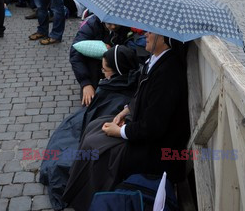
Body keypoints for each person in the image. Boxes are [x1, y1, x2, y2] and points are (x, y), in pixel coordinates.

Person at [63, 32, 190, 210]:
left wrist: (120, 132)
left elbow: (153, 128)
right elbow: (145, 97)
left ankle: (88, 199)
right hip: (143, 131)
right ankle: (78, 188)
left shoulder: (168, 72)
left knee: (96, 145)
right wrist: (127, 110)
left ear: (164, 37)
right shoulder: (157, 59)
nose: (145, 33)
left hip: (157, 151)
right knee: (94, 126)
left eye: (150, 31)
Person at [40, 45, 140, 210]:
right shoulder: (117, 84)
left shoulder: (119, 95)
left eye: (105, 69)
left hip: (113, 132)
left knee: (63, 159)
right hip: (101, 123)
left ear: (117, 71)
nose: (102, 74)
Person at [69, 15, 147, 106]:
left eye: (116, 23)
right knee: (91, 102)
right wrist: (86, 83)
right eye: (109, 23)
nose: (113, 26)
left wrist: (113, 50)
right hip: (94, 68)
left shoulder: (127, 25)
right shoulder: (92, 25)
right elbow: (75, 55)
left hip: (116, 67)